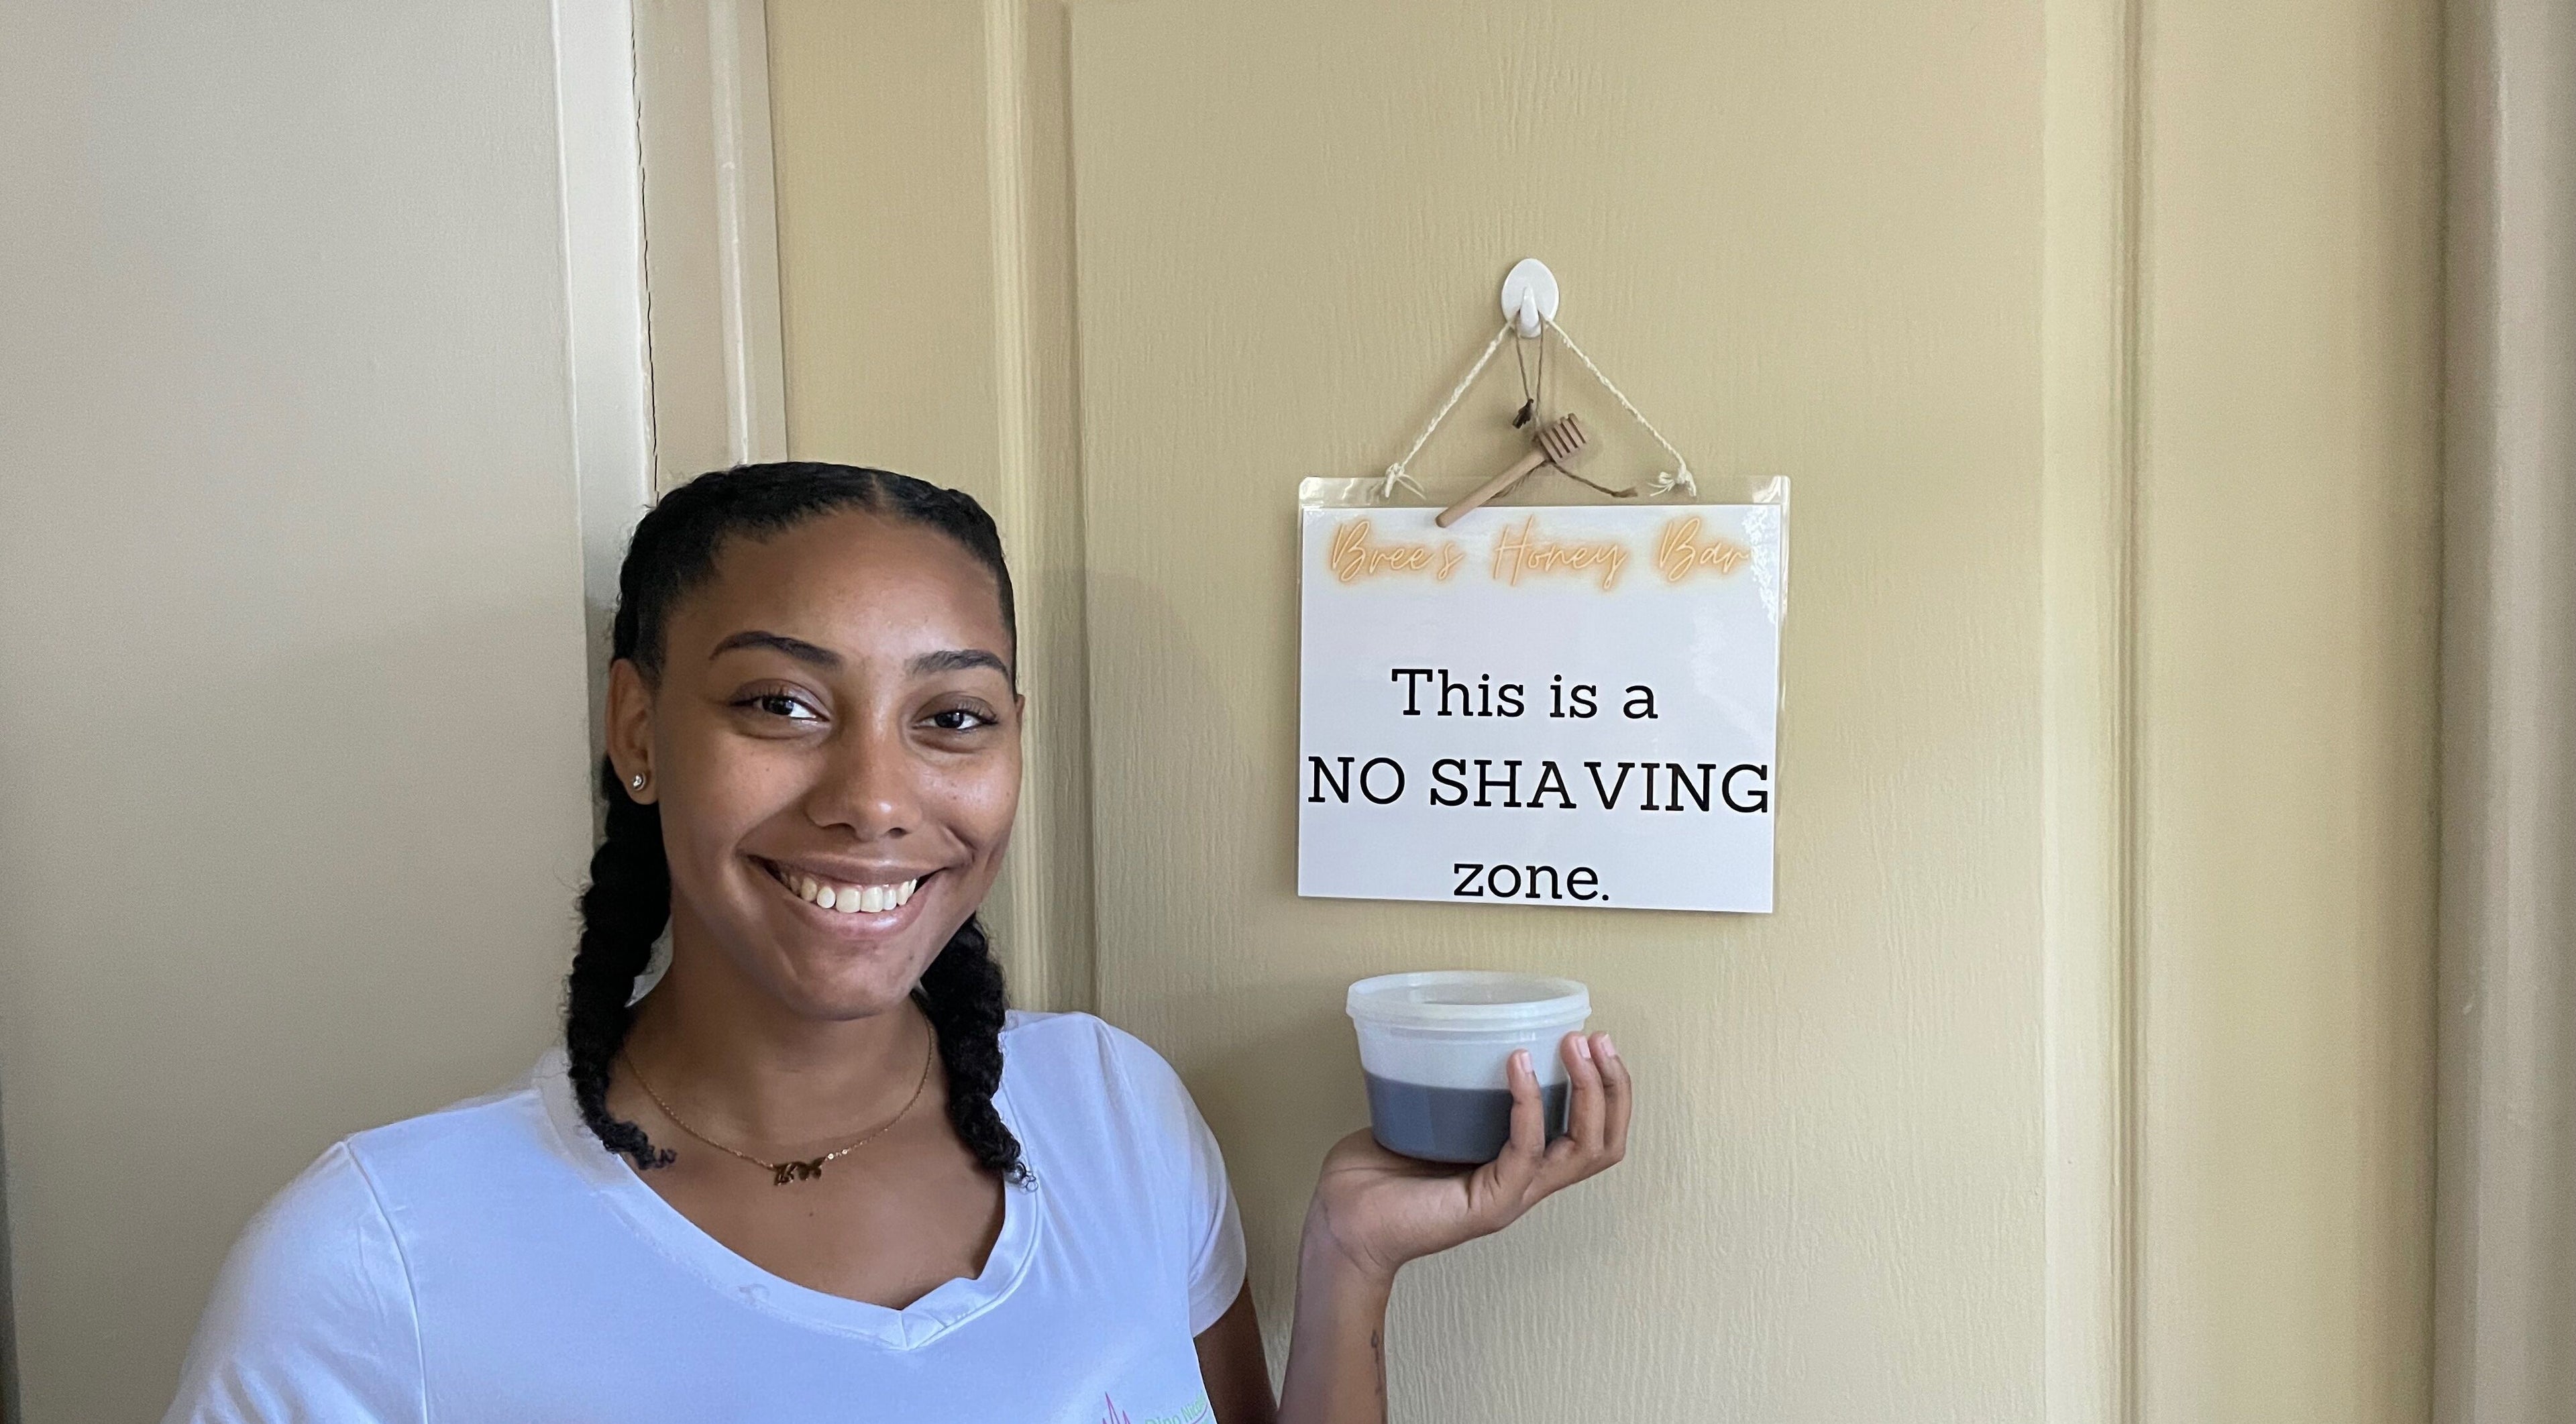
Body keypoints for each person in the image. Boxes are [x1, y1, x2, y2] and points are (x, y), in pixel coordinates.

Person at [166, 463, 1631, 1422]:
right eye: (781, 705)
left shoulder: (1115, 1114)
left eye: (952, 718)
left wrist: (1351, 1262)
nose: (875, 799)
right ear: (637, 733)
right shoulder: (378, 1266)